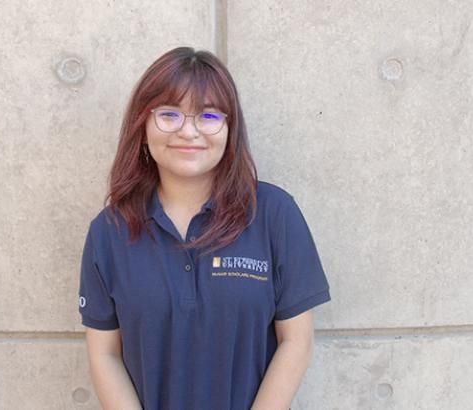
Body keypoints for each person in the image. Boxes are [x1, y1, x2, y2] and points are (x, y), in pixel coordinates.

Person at [78, 46, 331, 410]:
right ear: (142, 126)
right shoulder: (109, 232)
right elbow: (105, 354)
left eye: (209, 115)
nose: (189, 131)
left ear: (230, 129)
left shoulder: (274, 214)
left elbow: (297, 341)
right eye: (169, 114)